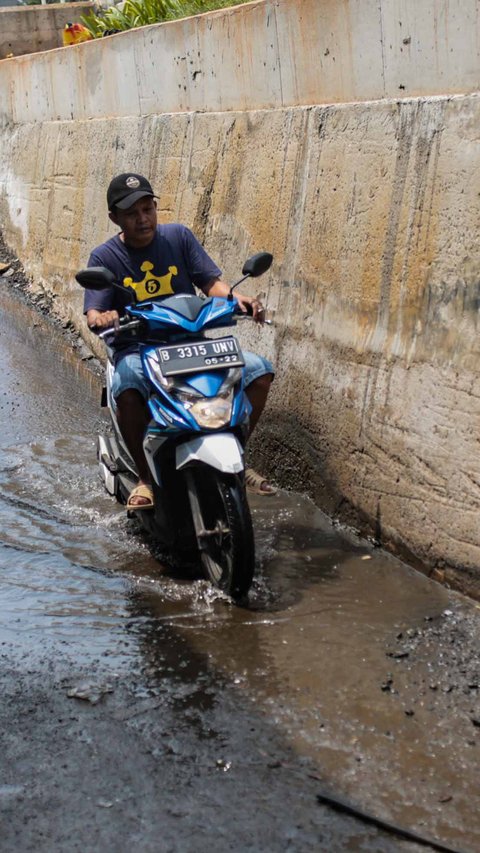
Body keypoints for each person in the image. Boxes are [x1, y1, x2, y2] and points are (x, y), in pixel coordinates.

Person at [84, 172, 276, 508]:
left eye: (148, 209)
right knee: (128, 384)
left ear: (155, 207)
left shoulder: (179, 237)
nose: (142, 219)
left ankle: (237, 453)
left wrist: (238, 299)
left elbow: (213, 284)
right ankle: (145, 478)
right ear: (115, 218)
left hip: (191, 346)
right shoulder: (104, 257)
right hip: (139, 350)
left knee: (260, 371)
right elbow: (94, 313)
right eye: (132, 213)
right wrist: (103, 317)